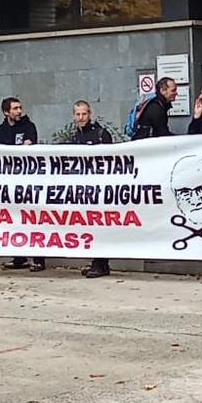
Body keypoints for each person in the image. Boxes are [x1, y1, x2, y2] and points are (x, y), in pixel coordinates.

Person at [62, 100, 118, 277]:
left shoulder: (101, 134)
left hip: (100, 188)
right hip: (84, 190)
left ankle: (101, 264)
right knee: (90, 226)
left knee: (100, 226)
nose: (81, 117)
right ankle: (97, 262)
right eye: (78, 114)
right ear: (73, 116)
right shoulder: (75, 137)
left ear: (90, 114)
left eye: (84, 114)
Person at [0, 97, 45, 270]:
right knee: (13, 220)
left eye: (20, 108)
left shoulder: (29, 127)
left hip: (28, 182)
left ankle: (38, 258)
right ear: (6, 112)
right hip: (8, 183)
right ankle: (19, 256)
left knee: (32, 219)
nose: (19, 111)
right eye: (15, 109)